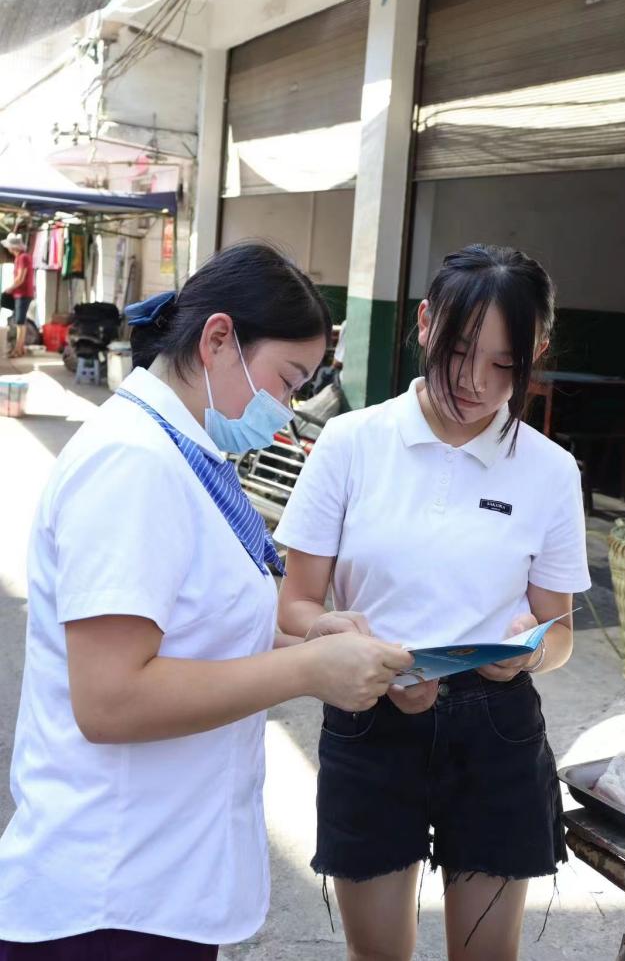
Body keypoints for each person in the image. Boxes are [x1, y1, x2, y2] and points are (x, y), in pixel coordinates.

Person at [0, 241, 412, 960]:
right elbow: (110, 699)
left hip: (163, 881)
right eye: (286, 382)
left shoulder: (185, 455)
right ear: (219, 339)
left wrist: (313, 643)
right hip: (111, 898)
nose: (284, 413)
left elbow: (196, 628)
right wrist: (306, 671)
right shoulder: (132, 463)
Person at [276, 243, 592, 961]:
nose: (475, 382)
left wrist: (527, 651)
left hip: (496, 730)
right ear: (424, 323)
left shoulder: (549, 471)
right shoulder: (352, 443)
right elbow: (294, 605)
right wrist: (337, 636)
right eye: (457, 351)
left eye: (505, 363)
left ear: (536, 351)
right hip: (371, 718)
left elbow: (559, 635)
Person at [1, 233, 34, 359]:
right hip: (20, 293)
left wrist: (9, 289)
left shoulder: (23, 258)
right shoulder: (20, 258)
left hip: (23, 293)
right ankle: (20, 348)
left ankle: (18, 349)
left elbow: (20, 278)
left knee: (20, 322)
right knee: (19, 321)